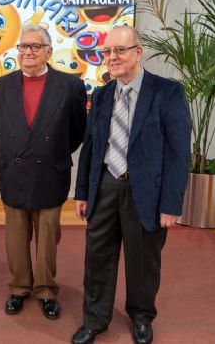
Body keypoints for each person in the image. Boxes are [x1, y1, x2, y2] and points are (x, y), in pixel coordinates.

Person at [71, 26, 192, 344]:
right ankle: (95, 319)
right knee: (97, 257)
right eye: (107, 52)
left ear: (138, 52)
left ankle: (141, 316)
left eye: (119, 50)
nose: (111, 57)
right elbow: (91, 146)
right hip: (105, 186)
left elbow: (179, 154)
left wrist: (171, 204)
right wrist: (82, 191)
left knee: (143, 261)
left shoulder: (168, 92)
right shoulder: (101, 94)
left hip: (147, 194)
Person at [0, 25, 87, 320]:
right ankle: (19, 287)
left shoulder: (70, 86)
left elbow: (77, 131)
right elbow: (0, 128)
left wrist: (51, 151)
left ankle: (46, 290)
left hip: (50, 172)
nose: (27, 52)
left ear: (48, 52)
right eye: (22, 47)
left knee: (47, 238)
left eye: (35, 46)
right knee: (16, 237)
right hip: (14, 172)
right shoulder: (0, 86)